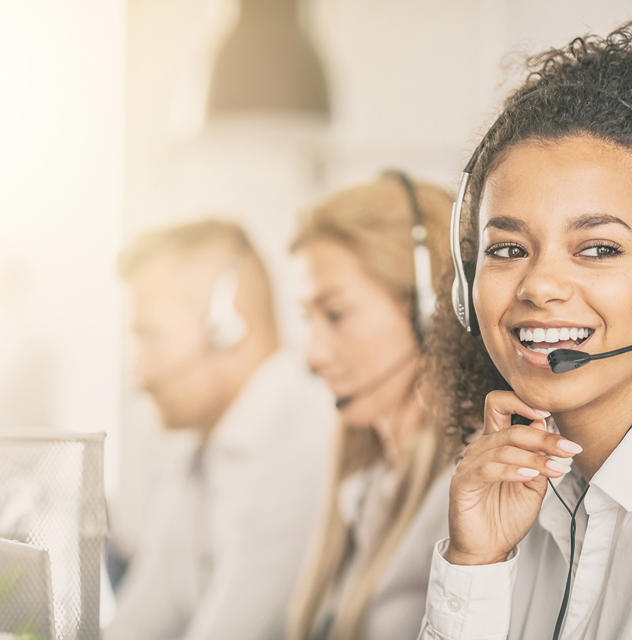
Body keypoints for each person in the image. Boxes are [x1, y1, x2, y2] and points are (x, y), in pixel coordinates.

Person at [419, 21, 632, 640]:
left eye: (597, 248)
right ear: (467, 284)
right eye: (508, 249)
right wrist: (474, 567)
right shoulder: (519, 503)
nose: (539, 286)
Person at [105, 219, 333, 640]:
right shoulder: (203, 444)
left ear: (227, 326)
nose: (137, 371)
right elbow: (141, 619)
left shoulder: (301, 442)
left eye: (150, 337)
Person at [288, 172, 456, 640]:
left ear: (431, 311)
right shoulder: (368, 484)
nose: (312, 355)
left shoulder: (467, 497)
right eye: (308, 318)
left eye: (336, 314)